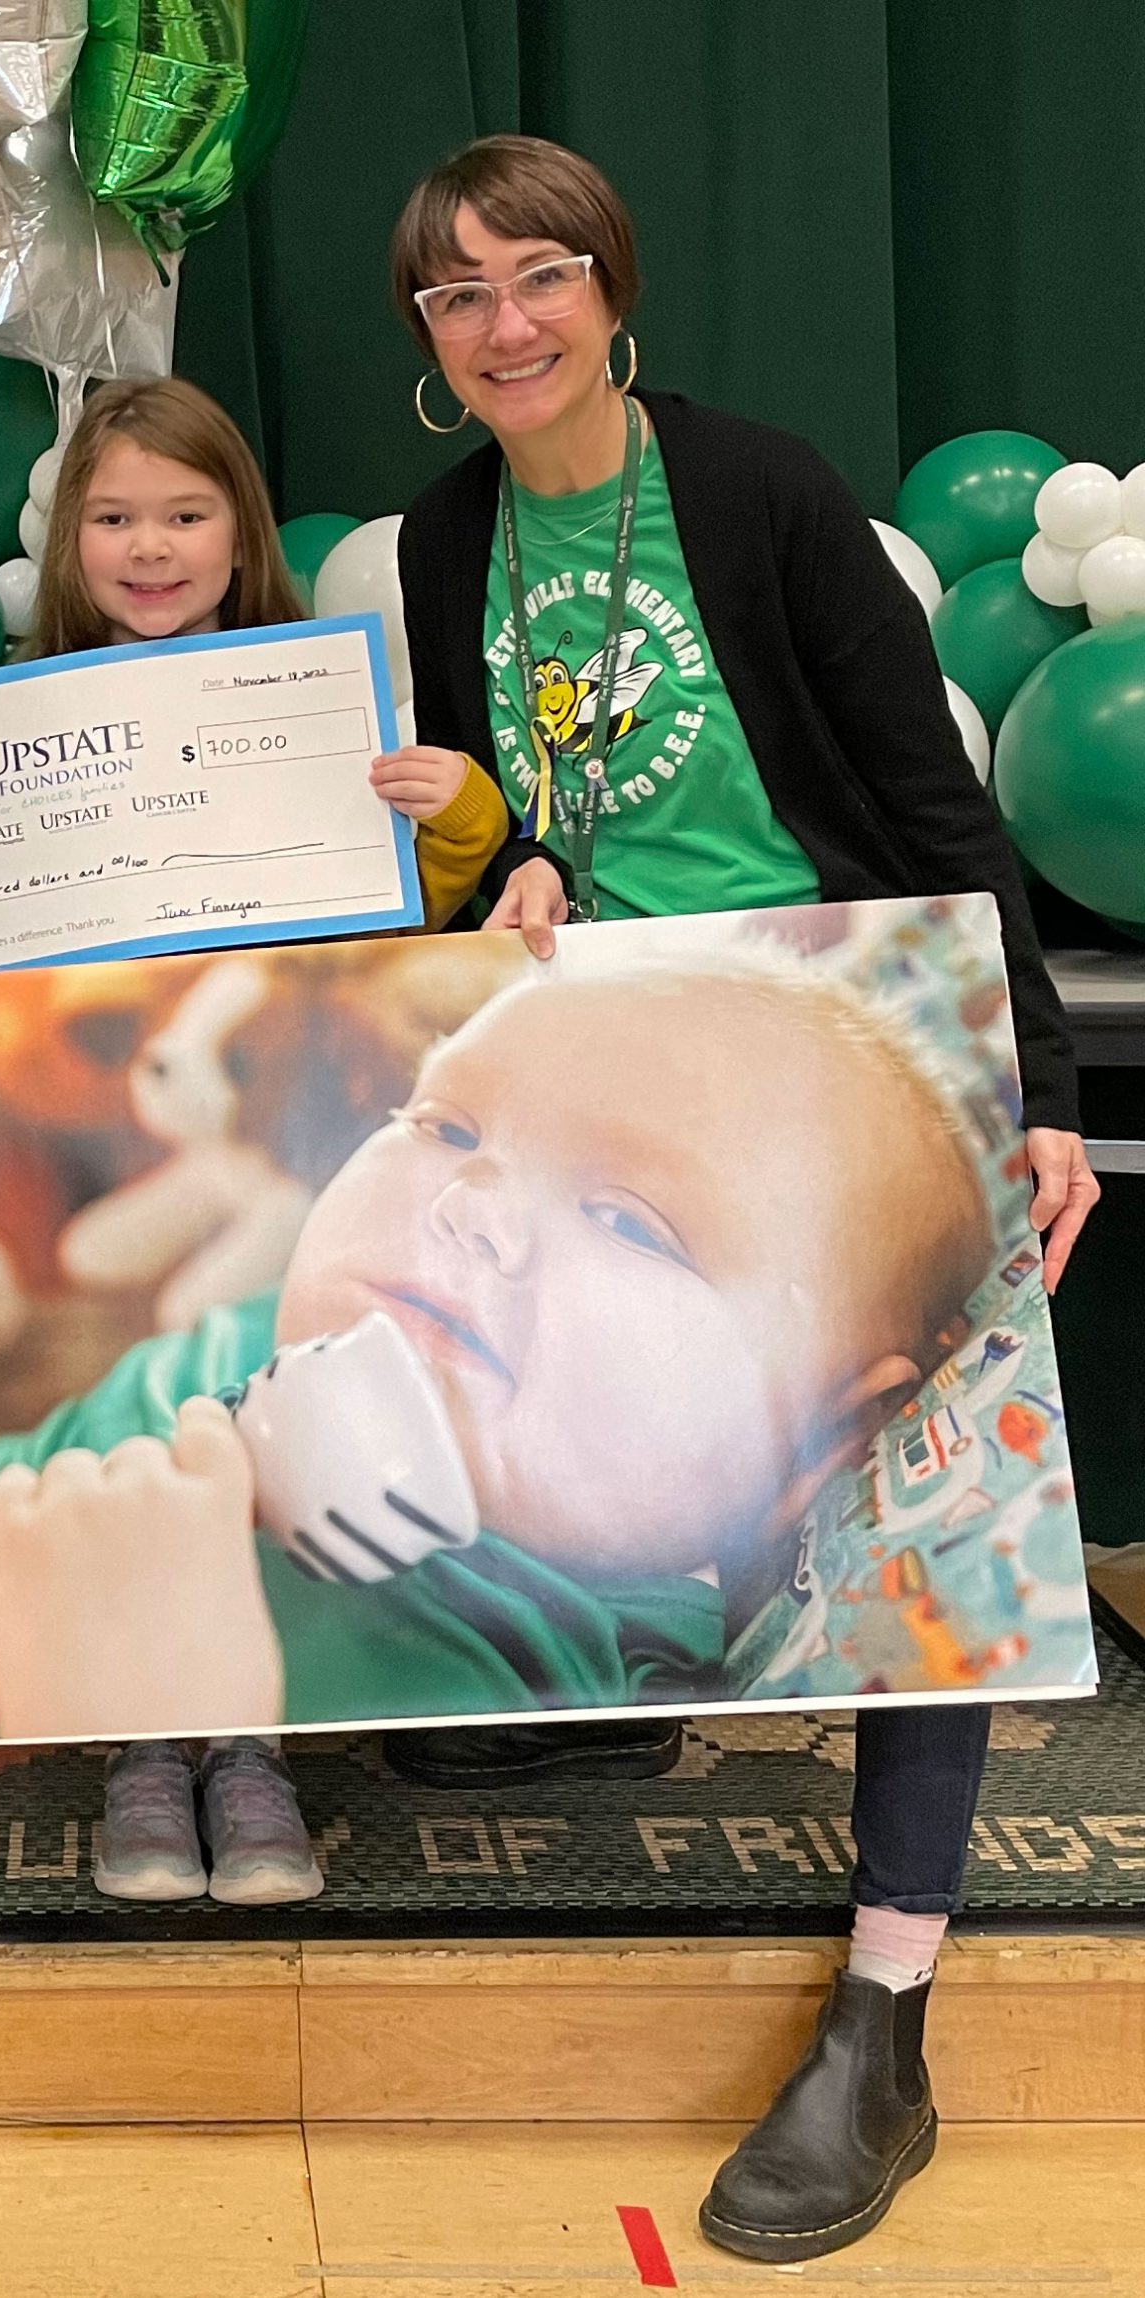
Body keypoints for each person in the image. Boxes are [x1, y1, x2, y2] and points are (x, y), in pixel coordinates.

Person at [379, 134, 1099, 2262]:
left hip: (827, 1027)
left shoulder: (763, 492)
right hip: (599, 1055)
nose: (501, 324)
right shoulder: (439, 539)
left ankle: (881, 2012)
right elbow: (499, 809)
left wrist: (1027, 1082)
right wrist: (497, 863)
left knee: (909, 1520)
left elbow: (920, 800)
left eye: (535, 278)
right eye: (453, 295)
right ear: (419, 336)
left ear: (608, 285)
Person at [0, 946, 1000, 1733]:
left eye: (630, 1222)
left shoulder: (507, 1635)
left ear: (821, 1441)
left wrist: (149, 1719)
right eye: (446, 1128)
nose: (470, 1201)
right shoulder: (287, 1332)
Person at [17, 375, 507, 1905]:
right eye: (113, 518)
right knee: (145, 1417)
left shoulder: (313, 713)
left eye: (183, 513)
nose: (149, 547)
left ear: (240, 529)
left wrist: (462, 814)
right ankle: (148, 1746)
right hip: (111, 1159)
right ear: (66, 541)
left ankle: (251, 1750)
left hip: (293, 1153)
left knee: (259, 1410)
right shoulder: (7, 720)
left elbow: (409, 918)